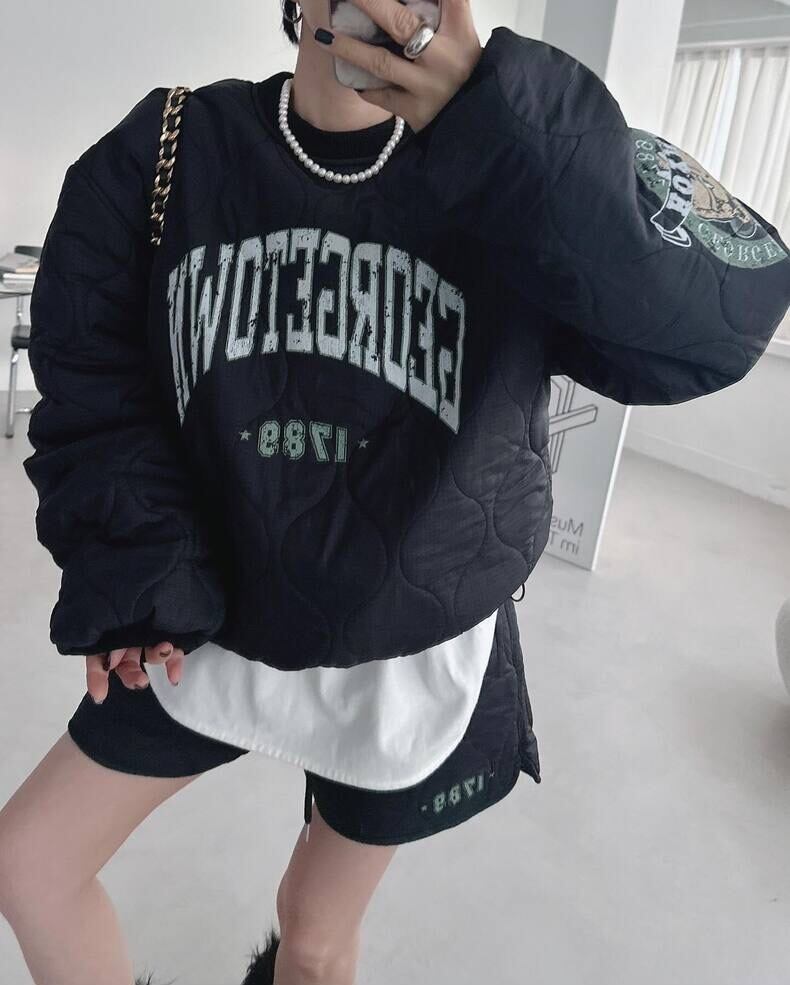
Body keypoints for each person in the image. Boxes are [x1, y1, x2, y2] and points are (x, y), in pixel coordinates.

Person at [1, 1, 788, 984]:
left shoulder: (518, 162)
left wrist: (498, 124)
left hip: (417, 639)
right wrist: (139, 561)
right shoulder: (168, 148)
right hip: (207, 605)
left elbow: (719, 318)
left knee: (314, 930)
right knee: (31, 862)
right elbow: (93, 375)